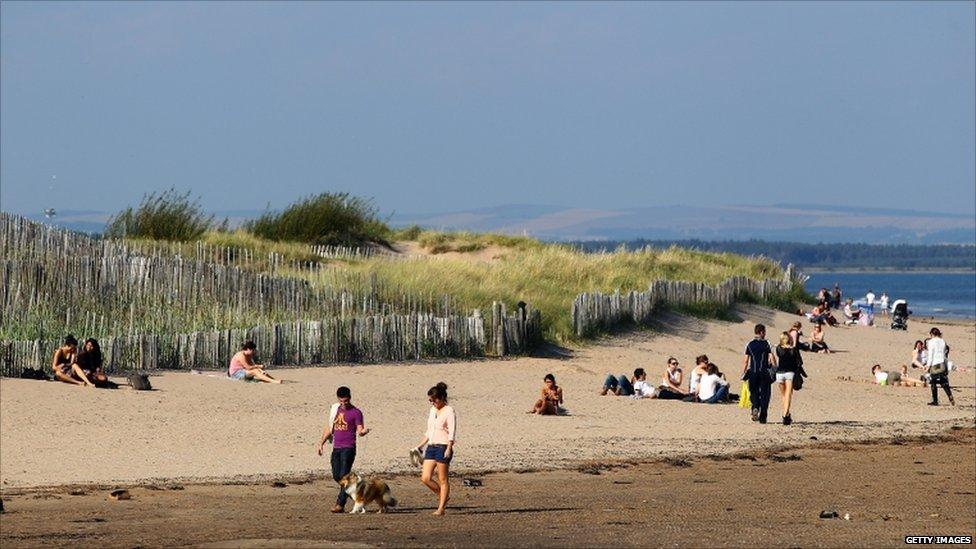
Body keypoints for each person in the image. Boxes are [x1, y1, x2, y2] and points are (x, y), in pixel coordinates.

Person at [317, 386, 369, 513]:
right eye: (341, 401)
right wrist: (321, 443)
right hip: (336, 448)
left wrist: (363, 432)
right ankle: (356, 487)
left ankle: (340, 504)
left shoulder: (356, 412)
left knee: (344, 476)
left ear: (350, 398)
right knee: (337, 476)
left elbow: (359, 429)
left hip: (348, 448)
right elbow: (330, 428)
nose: (343, 404)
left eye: (345, 401)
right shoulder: (335, 409)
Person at [415, 382, 456, 515]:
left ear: (441, 398)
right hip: (431, 446)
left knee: (443, 479)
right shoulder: (433, 410)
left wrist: (449, 447)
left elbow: (452, 431)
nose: (432, 403)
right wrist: (420, 445)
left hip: (443, 446)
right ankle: (443, 496)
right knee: (425, 478)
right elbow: (429, 431)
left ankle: (441, 508)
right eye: (430, 401)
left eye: (434, 400)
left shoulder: (449, 411)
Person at [742, 324, 776, 423]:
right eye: (764, 332)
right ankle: (763, 416)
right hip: (764, 372)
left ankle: (755, 407)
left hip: (752, 372)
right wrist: (775, 368)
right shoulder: (767, 343)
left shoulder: (749, 344)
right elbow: (771, 357)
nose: (765, 334)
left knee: (754, 392)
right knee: (765, 394)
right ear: (761, 332)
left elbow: (746, 360)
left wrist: (743, 373)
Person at [774, 332, 802, 425]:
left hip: (779, 373)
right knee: (788, 395)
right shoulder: (794, 349)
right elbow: (799, 362)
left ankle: (787, 414)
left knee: (783, 395)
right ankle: (785, 415)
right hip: (790, 373)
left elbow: (780, 352)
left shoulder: (778, 349)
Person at [925, 328, 955, 406]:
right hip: (942, 363)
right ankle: (950, 395)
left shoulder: (931, 342)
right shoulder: (943, 341)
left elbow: (930, 354)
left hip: (935, 364)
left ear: (932, 334)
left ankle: (935, 401)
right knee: (943, 381)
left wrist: (928, 365)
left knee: (933, 382)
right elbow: (945, 354)